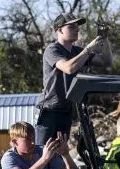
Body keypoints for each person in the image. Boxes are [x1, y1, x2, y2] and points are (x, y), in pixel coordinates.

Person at [36, 12, 112, 144]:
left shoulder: (77, 51)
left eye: (77, 26)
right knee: (42, 151)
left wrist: (103, 39)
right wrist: (88, 49)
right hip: (49, 110)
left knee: (61, 152)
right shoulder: (52, 49)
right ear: (59, 30)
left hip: (67, 110)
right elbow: (68, 68)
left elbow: (106, 61)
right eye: (71, 27)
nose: (77, 29)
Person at [1, 121, 78, 169]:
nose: (33, 143)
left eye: (33, 138)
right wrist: (44, 159)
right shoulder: (9, 158)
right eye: (27, 140)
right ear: (15, 142)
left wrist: (65, 155)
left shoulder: (42, 151)